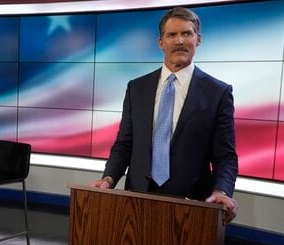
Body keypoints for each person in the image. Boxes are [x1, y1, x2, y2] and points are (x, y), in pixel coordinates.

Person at [90, 7, 238, 224]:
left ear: (198, 39)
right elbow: (124, 143)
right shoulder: (136, 88)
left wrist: (222, 191)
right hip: (136, 201)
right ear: (161, 42)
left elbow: (225, 155)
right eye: (172, 34)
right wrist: (108, 179)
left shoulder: (218, 92)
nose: (179, 40)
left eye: (187, 33)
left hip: (191, 208)